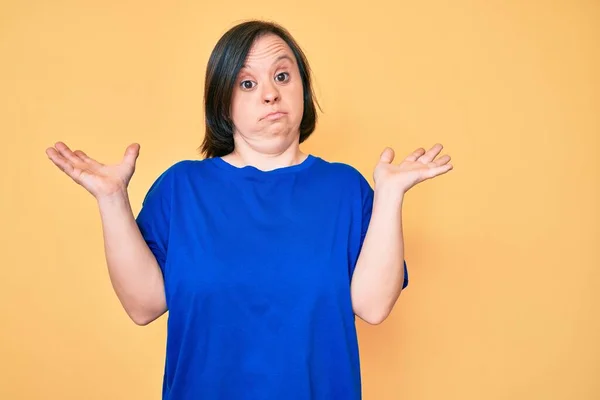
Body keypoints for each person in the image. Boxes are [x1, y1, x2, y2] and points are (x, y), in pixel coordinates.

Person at [45, 19, 452, 400]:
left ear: (302, 90)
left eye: (281, 76)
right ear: (223, 104)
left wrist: (390, 195)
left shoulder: (345, 188)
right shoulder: (181, 188)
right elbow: (144, 305)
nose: (269, 93)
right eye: (246, 83)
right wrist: (112, 200)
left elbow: (373, 305)